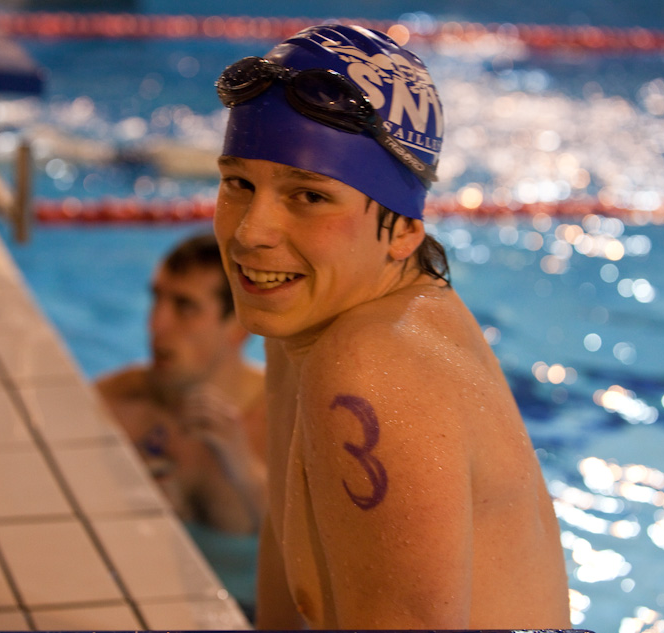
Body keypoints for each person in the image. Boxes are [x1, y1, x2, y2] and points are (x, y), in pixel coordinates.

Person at [212, 24, 570, 630]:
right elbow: (283, 558)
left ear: (404, 230)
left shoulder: (369, 363)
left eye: (309, 196)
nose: (251, 232)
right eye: (238, 184)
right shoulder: (306, 317)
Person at [95, 232, 266, 619]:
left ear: (238, 326)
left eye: (185, 307)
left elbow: (324, 561)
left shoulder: (286, 422)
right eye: (157, 299)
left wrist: (246, 473)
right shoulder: (117, 403)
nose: (156, 324)